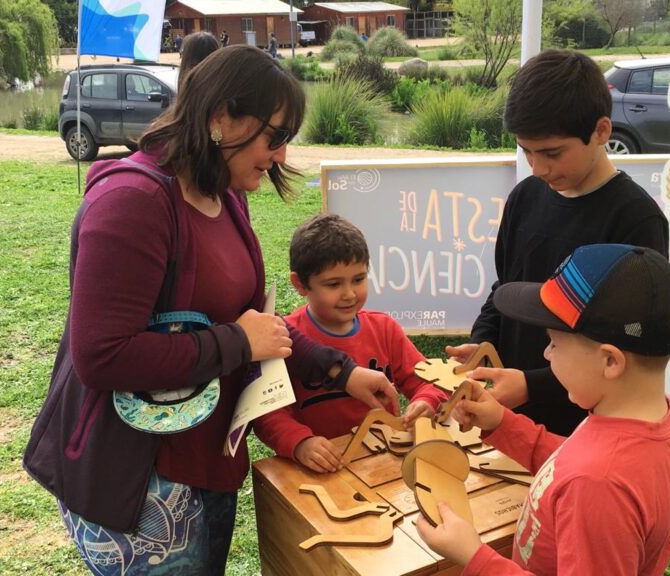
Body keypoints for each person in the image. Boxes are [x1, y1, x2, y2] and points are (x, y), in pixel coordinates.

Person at [22, 46, 398, 575]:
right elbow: (102, 356)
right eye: (276, 136)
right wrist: (237, 344)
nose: (282, 156)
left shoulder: (225, 193)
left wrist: (340, 369)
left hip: (205, 461)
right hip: (138, 485)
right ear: (221, 118)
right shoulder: (132, 203)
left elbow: (254, 322)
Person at [418, 243, 670, 575]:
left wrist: (476, 557)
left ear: (610, 361)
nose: (547, 354)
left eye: (554, 343)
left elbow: (586, 476)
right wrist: (502, 423)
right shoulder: (649, 421)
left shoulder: (597, 485)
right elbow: (567, 462)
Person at [446, 50, 669, 436]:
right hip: (509, 414)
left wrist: (532, 384)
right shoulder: (525, 197)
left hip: (587, 426)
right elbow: (505, 288)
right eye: (526, 151)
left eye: (552, 153)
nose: (538, 168)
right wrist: (482, 342)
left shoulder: (637, 220)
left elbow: (630, 351)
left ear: (601, 131)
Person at [253, 214, 449, 473]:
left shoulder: (384, 329)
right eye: (333, 284)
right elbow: (268, 413)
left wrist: (425, 402)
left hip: (386, 462)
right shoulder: (285, 339)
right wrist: (300, 443)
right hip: (322, 468)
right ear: (299, 284)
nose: (349, 294)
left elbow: (428, 382)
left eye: (358, 279)